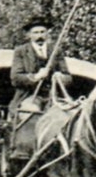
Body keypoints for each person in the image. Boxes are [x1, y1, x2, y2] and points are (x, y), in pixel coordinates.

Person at [8, 17, 71, 161]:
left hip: (53, 96)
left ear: (48, 34)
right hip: (29, 96)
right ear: (29, 35)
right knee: (30, 112)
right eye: (35, 32)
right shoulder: (21, 52)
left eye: (43, 32)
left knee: (69, 114)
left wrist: (60, 77)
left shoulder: (56, 51)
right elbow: (15, 78)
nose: (40, 36)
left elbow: (68, 77)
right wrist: (35, 77)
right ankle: (23, 150)